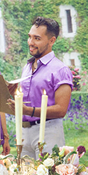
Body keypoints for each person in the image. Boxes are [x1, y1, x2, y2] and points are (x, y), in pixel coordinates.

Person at [18, 16, 74, 155]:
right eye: (29, 37)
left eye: (37, 38)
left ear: (51, 41)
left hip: (49, 131)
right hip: (24, 132)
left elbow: (61, 109)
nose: (30, 42)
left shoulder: (60, 70)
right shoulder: (27, 66)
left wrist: (28, 111)